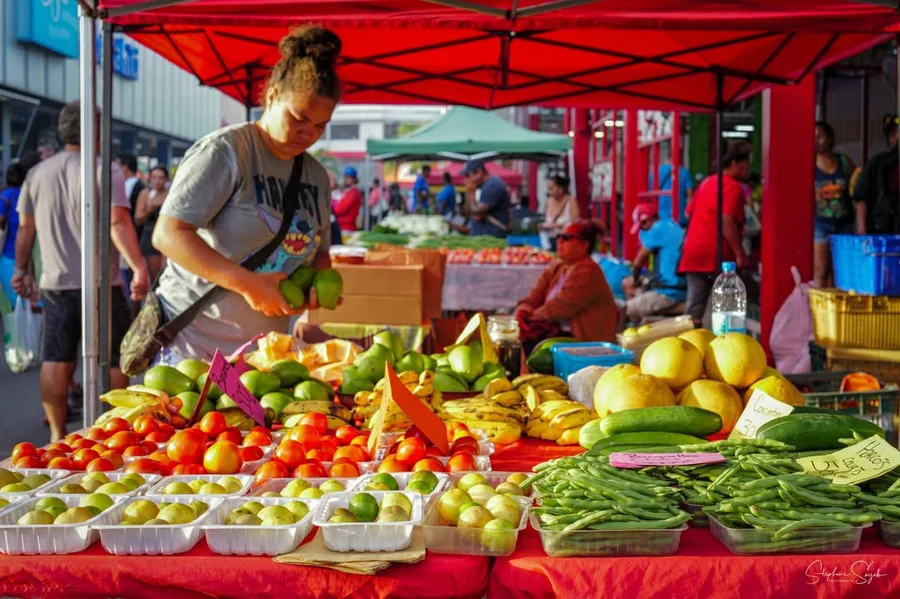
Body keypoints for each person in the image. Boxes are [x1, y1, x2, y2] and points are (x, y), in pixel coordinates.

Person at [151, 26, 339, 361]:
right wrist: (247, 284)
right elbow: (168, 235)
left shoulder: (316, 176)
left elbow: (319, 254)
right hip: (195, 344)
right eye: (299, 118)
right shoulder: (227, 151)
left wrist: (315, 290)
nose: (308, 133)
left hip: (264, 352)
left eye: (321, 126)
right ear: (272, 97)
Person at [12, 101, 148, 442]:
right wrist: (139, 266)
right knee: (115, 359)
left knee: (57, 358)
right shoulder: (105, 170)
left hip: (56, 282)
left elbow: (25, 229)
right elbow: (118, 221)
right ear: (97, 131)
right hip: (103, 283)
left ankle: (58, 434)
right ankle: (112, 433)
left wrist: (20, 269)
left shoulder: (38, 173)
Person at [679, 141, 752, 327]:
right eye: (746, 164)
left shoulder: (707, 182)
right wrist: (739, 253)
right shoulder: (733, 187)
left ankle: (688, 347)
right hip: (716, 253)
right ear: (735, 163)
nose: (748, 169)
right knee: (728, 306)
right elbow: (727, 221)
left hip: (693, 251)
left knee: (694, 308)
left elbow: (688, 213)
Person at [515, 221, 617, 346]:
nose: (560, 241)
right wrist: (522, 310)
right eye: (559, 236)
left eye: (567, 238)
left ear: (584, 245)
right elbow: (535, 294)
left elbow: (561, 307)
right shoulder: (558, 266)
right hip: (559, 334)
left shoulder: (589, 270)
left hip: (584, 343)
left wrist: (529, 318)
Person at [812, 121, 858, 287]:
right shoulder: (809, 164)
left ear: (830, 138)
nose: (817, 140)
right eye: (814, 137)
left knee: (841, 270)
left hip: (844, 222)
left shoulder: (844, 162)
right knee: (821, 269)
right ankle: (818, 308)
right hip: (820, 223)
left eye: (821, 136)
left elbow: (857, 186)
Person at [624, 203, 686, 323]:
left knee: (623, 310)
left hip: (668, 292)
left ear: (649, 220)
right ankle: (639, 316)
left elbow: (637, 263)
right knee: (627, 283)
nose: (643, 231)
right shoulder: (671, 224)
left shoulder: (657, 229)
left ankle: (632, 325)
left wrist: (635, 279)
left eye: (643, 226)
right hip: (681, 286)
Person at [0, 154, 40, 307]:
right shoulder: (33, 194)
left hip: (11, 258)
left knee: (16, 306)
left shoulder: (7, 195)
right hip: (37, 259)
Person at [854, 114, 900, 235]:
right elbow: (861, 199)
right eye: (893, 134)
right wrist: (862, 231)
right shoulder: (877, 163)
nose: (897, 136)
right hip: (882, 231)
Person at [135, 165, 170, 281]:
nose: (157, 181)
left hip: (168, 236)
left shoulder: (170, 194)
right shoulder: (145, 194)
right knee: (156, 276)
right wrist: (148, 210)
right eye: (154, 177)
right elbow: (138, 219)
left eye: (160, 178)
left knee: (166, 272)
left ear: (166, 179)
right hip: (151, 235)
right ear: (150, 179)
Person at [462, 159, 510, 238]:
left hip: (492, 238)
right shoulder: (483, 187)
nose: (467, 180)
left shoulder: (493, 185)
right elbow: (468, 212)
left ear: (479, 172)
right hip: (484, 238)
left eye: (468, 175)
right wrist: (469, 191)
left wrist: (471, 193)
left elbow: (478, 213)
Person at [540, 174, 579, 249]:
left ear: (560, 188)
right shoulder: (548, 202)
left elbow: (576, 224)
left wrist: (556, 226)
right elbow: (547, 221)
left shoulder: (571, 201)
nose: (549, 192)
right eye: (548, 189)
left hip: (566, 243)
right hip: (550, 243)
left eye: (551, 189)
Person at [651, 161, 693, 226]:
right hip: (679, 218)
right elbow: (690, 196)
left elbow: (649, 196)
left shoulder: (654, 173)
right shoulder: (684, 173)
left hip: (659, 218)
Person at [333, 166, 362, 232]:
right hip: (343, 226)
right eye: (345, 177)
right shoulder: (348, 191)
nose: (345, 179)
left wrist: (331, 209)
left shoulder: (353, 192)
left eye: (348, 177)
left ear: (354, 179)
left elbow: (340, 210)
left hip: (346, 228)